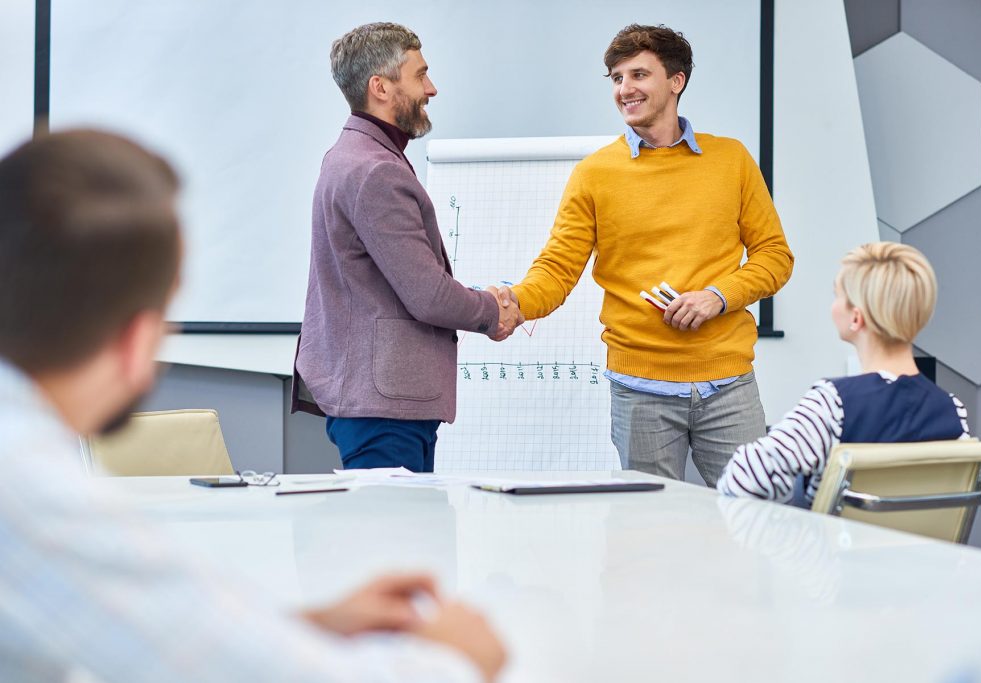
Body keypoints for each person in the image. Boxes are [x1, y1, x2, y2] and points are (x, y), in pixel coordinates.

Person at [0, 129, 505, 682]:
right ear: (137, 337)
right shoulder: (29, 484)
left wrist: (310, 625)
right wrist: (456, 660)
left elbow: (162, 632)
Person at [498, 24, 794, 485]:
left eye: (638, 74)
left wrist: (718, 296)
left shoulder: (731, 160)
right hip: (640, 392)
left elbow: (775, 256)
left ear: (676, 81)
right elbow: (557, 269)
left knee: (755, 522)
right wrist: (515, 303)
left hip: (728, 385)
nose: (625, 89)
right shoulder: (594, 174)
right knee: (649, 536)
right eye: (617, 78)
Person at [292, 22, 522, 473]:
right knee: (394, 542)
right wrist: (492, 310)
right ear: (380, 87)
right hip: (382, 407)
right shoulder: (376, 170)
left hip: (378, 400)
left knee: (400, 538)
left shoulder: (356, 154)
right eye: (420, 75)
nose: (431, 89)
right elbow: (428, 294)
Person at [717, 242, 970, 504]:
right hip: (922, 546)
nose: (833, 306)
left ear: (856, 319)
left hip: (835, 545)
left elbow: (741, 480)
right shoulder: (953, 411)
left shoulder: (832, 404)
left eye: (838, 296)